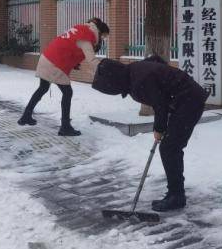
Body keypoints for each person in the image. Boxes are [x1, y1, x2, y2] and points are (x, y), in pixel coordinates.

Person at [92, 56, 208, 212]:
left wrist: (159, 129)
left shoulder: (138, 81)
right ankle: (175, 194)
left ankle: (177, 196)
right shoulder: (134, 70)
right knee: (170, 148)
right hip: (184, 99)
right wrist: (166, 79)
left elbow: (160, 105)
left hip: (189, 101)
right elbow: (157, 60)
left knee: (169, 148)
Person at [18, 18, 109, 136]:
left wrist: (74, 62)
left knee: (43, 88)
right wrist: (105, 71)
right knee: (67, 92)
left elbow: (69, 45)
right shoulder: (87, 37)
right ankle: (65, 127)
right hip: (55, 63)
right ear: (100, 32)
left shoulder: (81, 29)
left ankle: (26, 116)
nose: (103, 40)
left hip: (47, 57)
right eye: (104, 37)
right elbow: (91, 60)